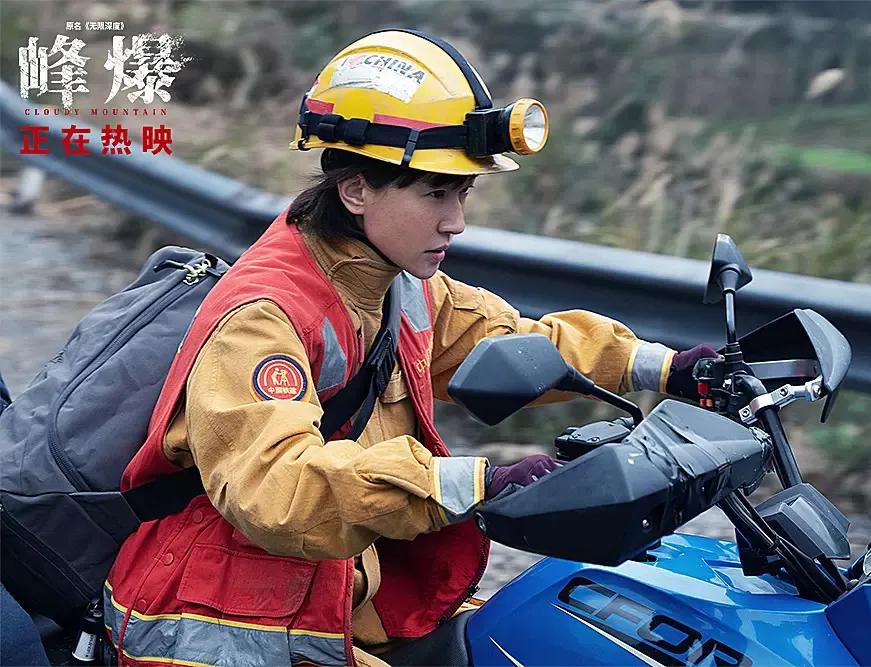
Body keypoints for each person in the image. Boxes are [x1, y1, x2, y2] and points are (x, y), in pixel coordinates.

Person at [103, 30, 719, 667]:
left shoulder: (394, 283)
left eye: (462, 194)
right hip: (218, 621)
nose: (455, 221)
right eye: (435, 194)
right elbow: (276, 488)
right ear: (357, 190)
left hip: (335, 592)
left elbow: (508, 342)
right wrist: (482, 482)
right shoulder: (265, 315)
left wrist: (666, 366)